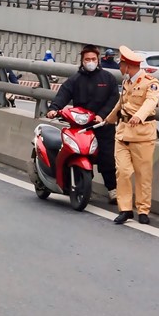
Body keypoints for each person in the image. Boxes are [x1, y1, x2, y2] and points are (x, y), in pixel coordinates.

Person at [46, 45, 119, 203]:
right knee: (78, 152)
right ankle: (82, 184)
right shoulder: (75, 80)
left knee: (107, 158)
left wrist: (101, 115)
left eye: (93, 59)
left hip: (102, 125)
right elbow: (63, 95)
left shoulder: (108, 79)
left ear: (98, 60)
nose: (90, 62)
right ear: (82, 61)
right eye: (87, 59)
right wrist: (54, 108)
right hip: (81, 127)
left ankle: (112, 189)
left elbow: (114, 98)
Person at [100, 45, 159, 225]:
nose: (119, 67)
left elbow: (151, 102)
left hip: (142, 133)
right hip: (123, 132)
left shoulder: (150, 82)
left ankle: (143, 209)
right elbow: (121, 105)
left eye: (121, 64)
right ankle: (125, 209)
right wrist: (107, 120)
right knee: (123, 172)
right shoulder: (126, 83)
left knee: (143, 174)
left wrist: (139, 116)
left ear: (127, 66)